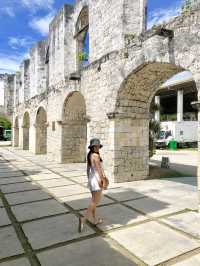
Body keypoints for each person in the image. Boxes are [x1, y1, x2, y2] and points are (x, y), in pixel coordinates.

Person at [78, 138, 107, 232]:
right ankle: (83, 219)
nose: (97, 147)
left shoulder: (89, 155)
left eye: (98, 146)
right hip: (97, 180)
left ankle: (95, 220)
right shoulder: (96, 156)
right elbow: (99, 169)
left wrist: (89, 179)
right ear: (93, 147)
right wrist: (103, 181)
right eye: (96, 146)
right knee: (95, 202)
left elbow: (88, 169)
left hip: (92, 180)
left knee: (93, 201)